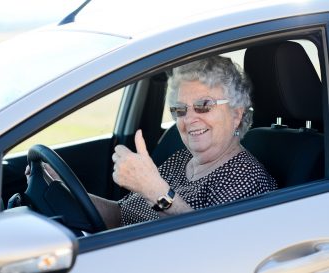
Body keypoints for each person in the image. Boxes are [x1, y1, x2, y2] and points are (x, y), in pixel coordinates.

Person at [27, 55, 277, 229]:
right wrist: (64, 188)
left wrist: (155, 190)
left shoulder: (246, 177)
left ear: (237, 113)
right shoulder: (181, 160)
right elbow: (120, 216)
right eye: (180, 109)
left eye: (203, 106)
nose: (189, 119)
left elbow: (211, 245)